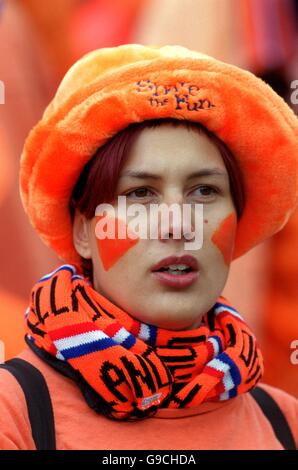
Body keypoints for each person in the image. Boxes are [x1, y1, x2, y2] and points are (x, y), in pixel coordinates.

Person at [0, 44, 297, 450]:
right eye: (140, 194)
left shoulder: (285, 422)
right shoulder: (15, 413)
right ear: (83, 231)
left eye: (205, 191)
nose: (178, 225)